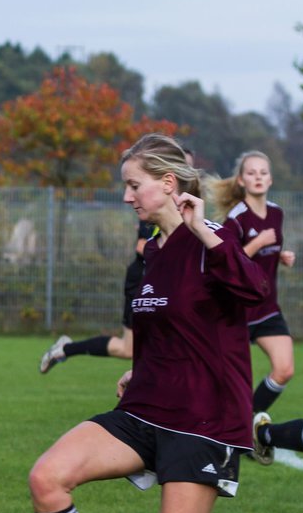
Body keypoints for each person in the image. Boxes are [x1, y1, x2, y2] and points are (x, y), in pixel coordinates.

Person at [28, 134, 268, 513]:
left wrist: (204, 229)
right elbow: (167, 329)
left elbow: (253, 290)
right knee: (47, 478)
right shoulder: (152, 255)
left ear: (167, 183)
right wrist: (141, 368)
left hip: (203, 422)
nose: (127, 197)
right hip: (146, 408)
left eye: (133, 185)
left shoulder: (218, 236)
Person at [40, 147, 195, 374]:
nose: (186, 172)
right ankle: (67, 349)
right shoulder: (154, 209)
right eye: (182, 166)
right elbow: (143, 247)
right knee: (129, 348)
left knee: (134, 349)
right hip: (143, 276)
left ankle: (67, 349)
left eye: (188, 167)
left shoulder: (191, 214)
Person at [213, 151, 297, 416]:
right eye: (252, 173)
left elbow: (267, 252)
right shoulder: (236, 218)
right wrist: (258, 244)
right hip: (236, 311)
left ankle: (247, 425)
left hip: (267, 308)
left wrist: (280, 255)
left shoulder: (277, 213)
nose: (258, 177)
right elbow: (226, 262)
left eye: (263, 172)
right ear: (241, 180)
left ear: (271, 179)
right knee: (225, 382)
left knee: (284, 370)